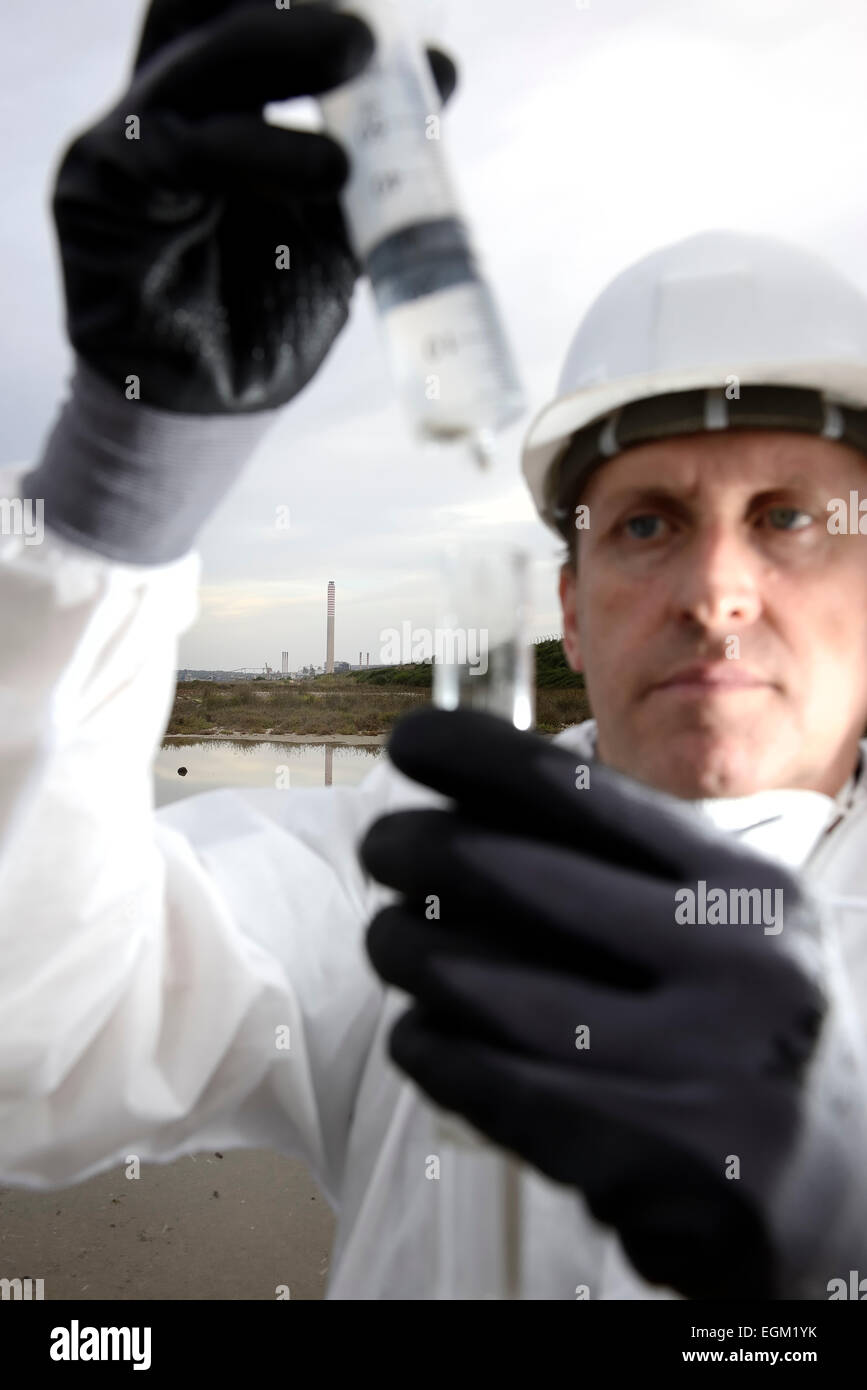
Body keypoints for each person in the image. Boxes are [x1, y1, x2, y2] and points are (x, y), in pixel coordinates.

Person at [1, 0, 866, 1301]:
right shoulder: (402, 866)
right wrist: (133, 467)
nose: (717, 590)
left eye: (788, 518)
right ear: (567, 604)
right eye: (647, 521)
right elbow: (40, 1029)